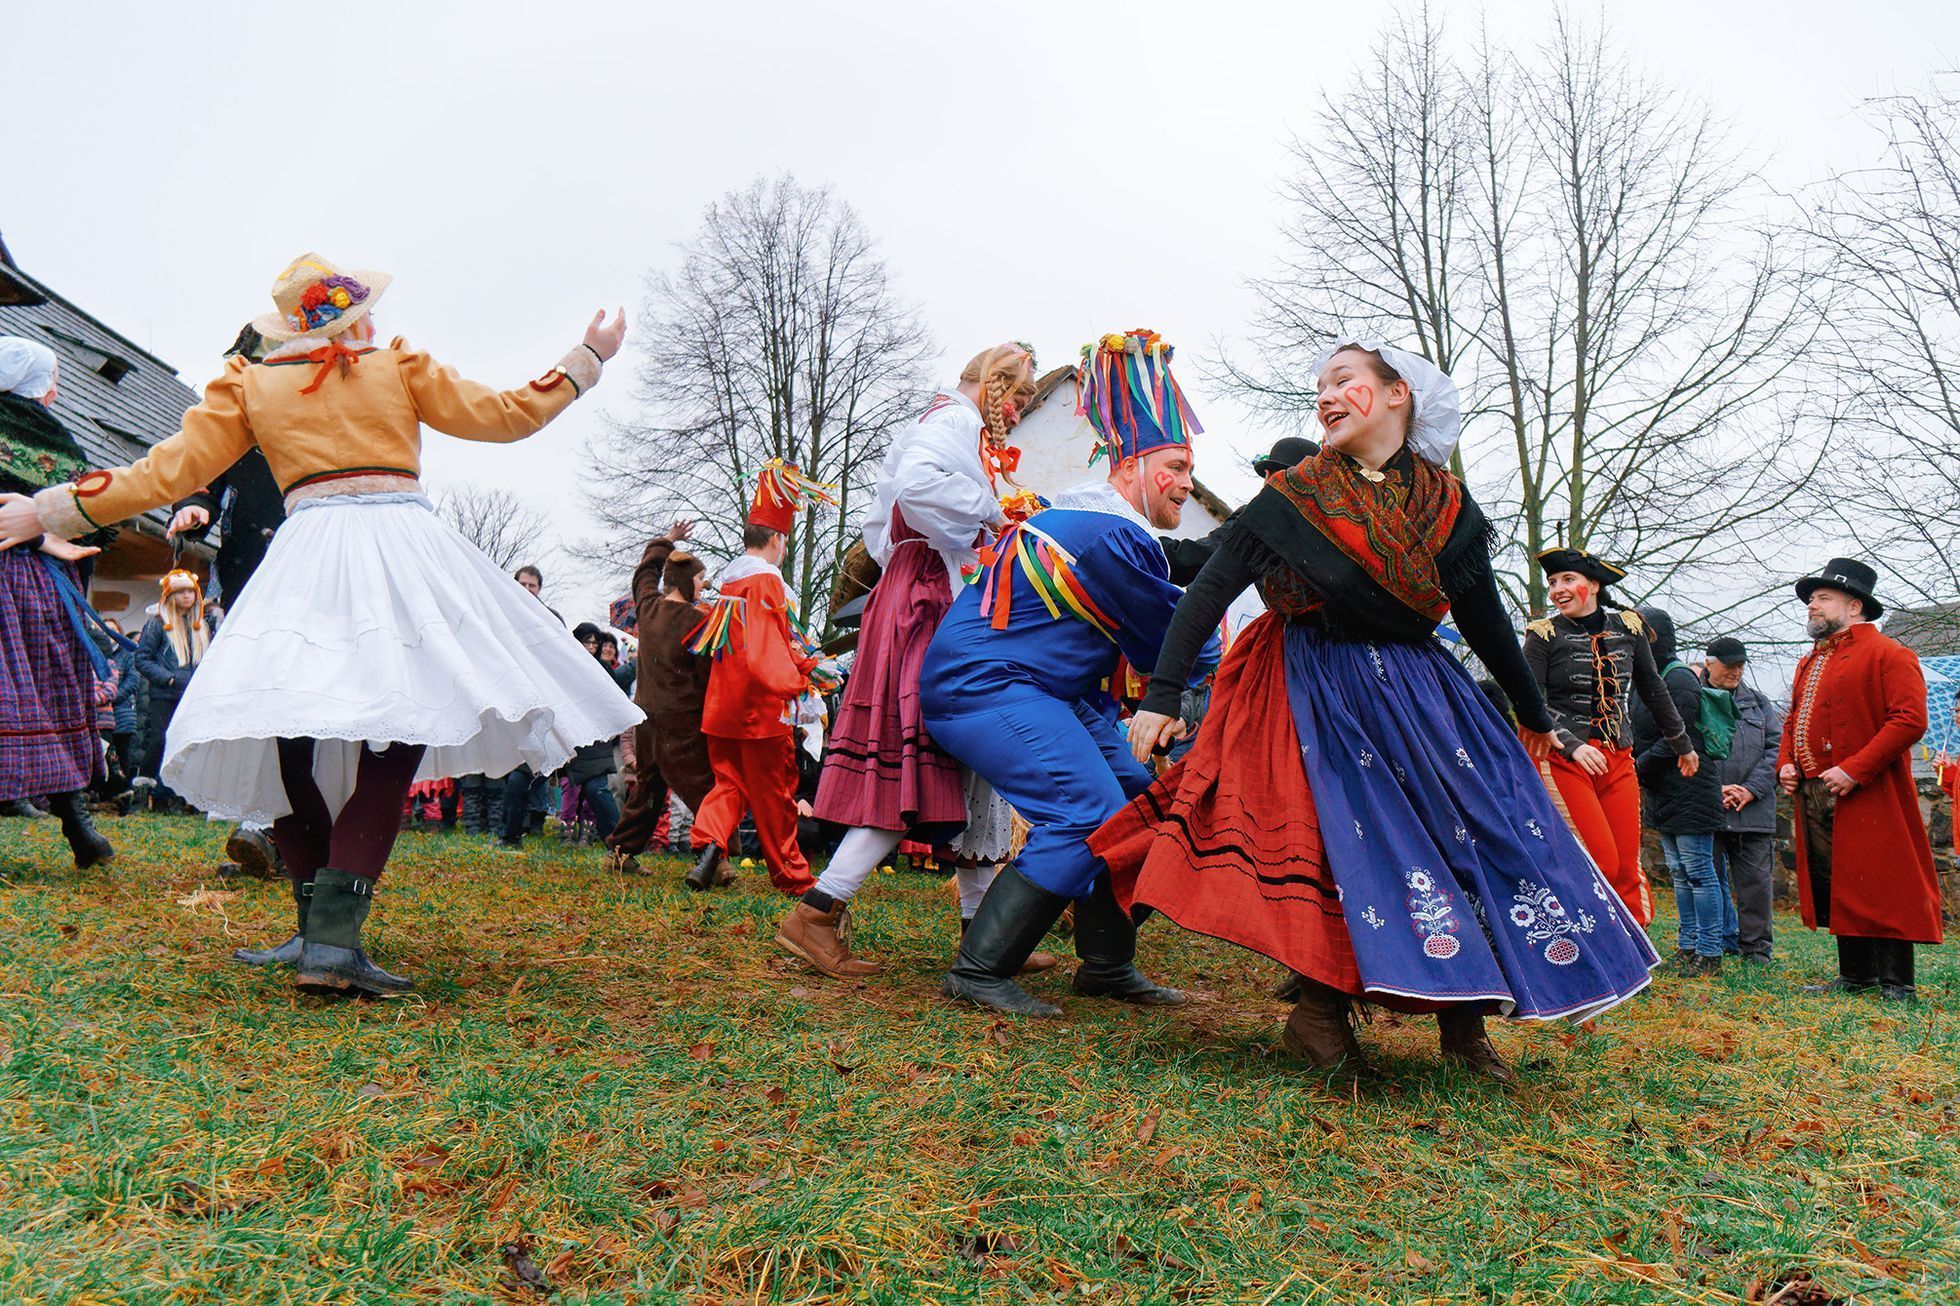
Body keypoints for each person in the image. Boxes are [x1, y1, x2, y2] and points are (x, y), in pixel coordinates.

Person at [0, 252, 641, 996]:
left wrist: (45, 507)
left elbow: (163, 473)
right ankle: (330, 940)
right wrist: (587, 358)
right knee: (400, 726)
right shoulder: (397, 363)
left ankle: (315, 930)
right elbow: (506, 415)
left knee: (290, 730)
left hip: (305, 556)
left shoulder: (252, 383)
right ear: (358, 316)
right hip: (401, 550)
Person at [1096, 340, 1662, 1083]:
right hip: (1317, 684)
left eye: (1344, 381)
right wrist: (1163, 695)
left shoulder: (1447, 504)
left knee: (1460, 835)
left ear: (1399, 394)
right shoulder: (1292, 495)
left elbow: (1485, 616)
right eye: (1320, 386)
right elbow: (1208, 592)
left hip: (1422, 691)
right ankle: (1319, 1016)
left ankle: (1465, 1021)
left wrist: (1535, 713)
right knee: (1347, 846)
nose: (1326, 396)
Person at [926, 328, 1218, 1018]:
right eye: (1174, 465)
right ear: (1132, 465)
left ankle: (1107, 965)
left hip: (1049, 691)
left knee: (1145, 810)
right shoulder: (1112, 531)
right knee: (1085, 812)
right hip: (987, 685)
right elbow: (1179, 645)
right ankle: (978, 970)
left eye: (1189, 468)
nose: (1185, 483)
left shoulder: (1090, 520)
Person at [782, 343, 1038, 978]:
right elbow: (918, 490)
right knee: (913, 765)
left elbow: (893, 514)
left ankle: (983, 934)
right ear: (997, 384)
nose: (1024, 405)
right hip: (923, 597)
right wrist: (993, 512)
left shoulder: (956, 426)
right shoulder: (954, 422)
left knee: (968, 762)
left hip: (925, 590)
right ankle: (816, 911)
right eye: (1022, 393)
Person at [1777, 558, 1940, 1002]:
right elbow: (1794, 718)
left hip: (1870, 790)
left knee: (1883, 880)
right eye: (1811, 598)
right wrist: (1787, 763)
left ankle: (1897, 982)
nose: (1812, 605)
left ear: (1854, 606)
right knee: (1836, 880)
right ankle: (1856, 976)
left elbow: (1909, 720)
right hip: (1814, 790)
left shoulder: (1891, 653)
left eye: (1822, 598)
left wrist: (1855, 768)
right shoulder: (1809, 661)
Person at [1523, 550, 1696, 925]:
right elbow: (1530, 702)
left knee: (1625, 864)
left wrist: (1682, 744)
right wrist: (1573, 744)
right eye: (1552, 583)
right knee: (1597, 860)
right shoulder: (1542, 636)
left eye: (1567, 580)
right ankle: (1597, 951)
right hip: (1564, 760)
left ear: (1594, 585)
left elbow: (1654, 690)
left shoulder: (1629, 628)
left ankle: (1635, 953)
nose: (1557, 590)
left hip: (1618, 757)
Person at [0, 335, 118, 865]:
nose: (54, 392)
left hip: (23, 576)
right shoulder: (61, 439)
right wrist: (47, 537)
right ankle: (79, 828)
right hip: (40, 584)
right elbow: (98, 519)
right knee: (48, 691)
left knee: (17, 694)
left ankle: (80, 827)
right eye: (53, 380)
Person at [685, 462, 822, 897]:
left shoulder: (728, 584)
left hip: (723, 706)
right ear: (778, 539)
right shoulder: (766, 582)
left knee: (728, 782)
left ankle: (709, 845)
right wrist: (798, 678)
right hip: (760, 710)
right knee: (775, 794)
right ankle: (794, 877)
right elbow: (766, 649)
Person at [603, 522, 720, 876]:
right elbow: (706, 677)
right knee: (704, 788)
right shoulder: (698, 621)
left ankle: (620, 854)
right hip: (683, 719)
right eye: (700, 579)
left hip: (646, 719)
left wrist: (668, 540)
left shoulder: (647, 606)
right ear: (686, 580)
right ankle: (720, 860)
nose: (703, 586)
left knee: (648, 788)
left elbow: (644, 572)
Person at [1631, 606, 1726, 975]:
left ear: (1652, 636)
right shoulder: (1645, 680)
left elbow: (1678, 737)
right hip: (1664, 790)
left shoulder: (1680, 679)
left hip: (1690, 788)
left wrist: (1636, 767)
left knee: (1700, 871)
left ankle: (1709, 952)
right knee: (1679, 871)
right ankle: (1688, 948)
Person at [1705, 637, 1782, 964]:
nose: (1736, 671)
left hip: (1754, 810)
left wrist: (1749, 789)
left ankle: (1756, 951)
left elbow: (1776, 752)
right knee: (1704, 882)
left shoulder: (1760, 704)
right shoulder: (1691, 699)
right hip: (1707, 809)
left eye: (1741, 665)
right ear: (1710, 663)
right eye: (1729, 664)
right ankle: (1709, 946)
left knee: (1756, 887)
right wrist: (1712, 790)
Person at [134, 570, 217, 814]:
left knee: (186, 746)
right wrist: (168, 679)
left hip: (192, 696)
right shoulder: (157, 624)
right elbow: (142, 659)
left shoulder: (202, 626)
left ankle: (171, 796)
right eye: (181, 591)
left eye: (190, 591)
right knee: (159, 742)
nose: (187, 596)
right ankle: (142, 792)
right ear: (171, 595)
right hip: (165, 694)